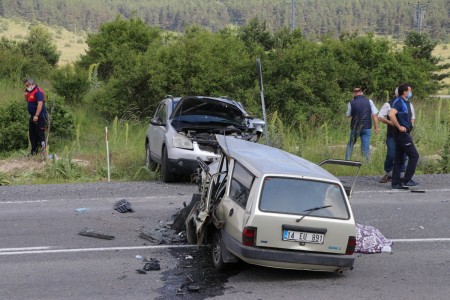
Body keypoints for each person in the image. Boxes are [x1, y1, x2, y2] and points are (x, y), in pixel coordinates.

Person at [378, 87, 415, 183]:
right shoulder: (389, 104)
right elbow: (380, 116)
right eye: (409, 91)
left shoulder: (409, 104)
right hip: (392, 134)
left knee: (403, 155)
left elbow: (412, 116)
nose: (410, 93)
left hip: (405, 134)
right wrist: (393, 123)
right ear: (403, 92)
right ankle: (388, 173)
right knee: (391, 154)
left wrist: (411, 126)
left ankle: (401, 175)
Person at [388, 83, 419, 189]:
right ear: (405, 92)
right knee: (414, 155)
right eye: (409, 90)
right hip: (402, 134)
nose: (410, 92)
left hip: (401, 134)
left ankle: (396, 183)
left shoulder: (404, 102)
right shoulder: (399, 102)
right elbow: (391, 114)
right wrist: (399, 126)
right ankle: (407, 180)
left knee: (399, 158)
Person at [345, 87, 379, 161]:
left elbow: (348, 115)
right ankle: (366, 163)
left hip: (355, 127)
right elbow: (374, 115)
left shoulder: (351, 103)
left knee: (350, 144)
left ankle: (347, 161)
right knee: (365, 147)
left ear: (354, 93)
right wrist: (376, 127)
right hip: (367, 127)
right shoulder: (369, 101)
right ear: (362, 93)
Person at [23, 78, 47, 156]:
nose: (26, 87)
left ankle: (43, 153)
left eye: (27, 85)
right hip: (32, 115)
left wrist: (36, 115)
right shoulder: (30, 92)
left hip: (39, 116)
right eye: (25, 85)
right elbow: (28, 101)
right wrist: (26, 96)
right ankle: (34, 152)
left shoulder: (38, 91)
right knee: (32, 135)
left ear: (32, 84)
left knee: (40, 134)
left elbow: (40, 104)